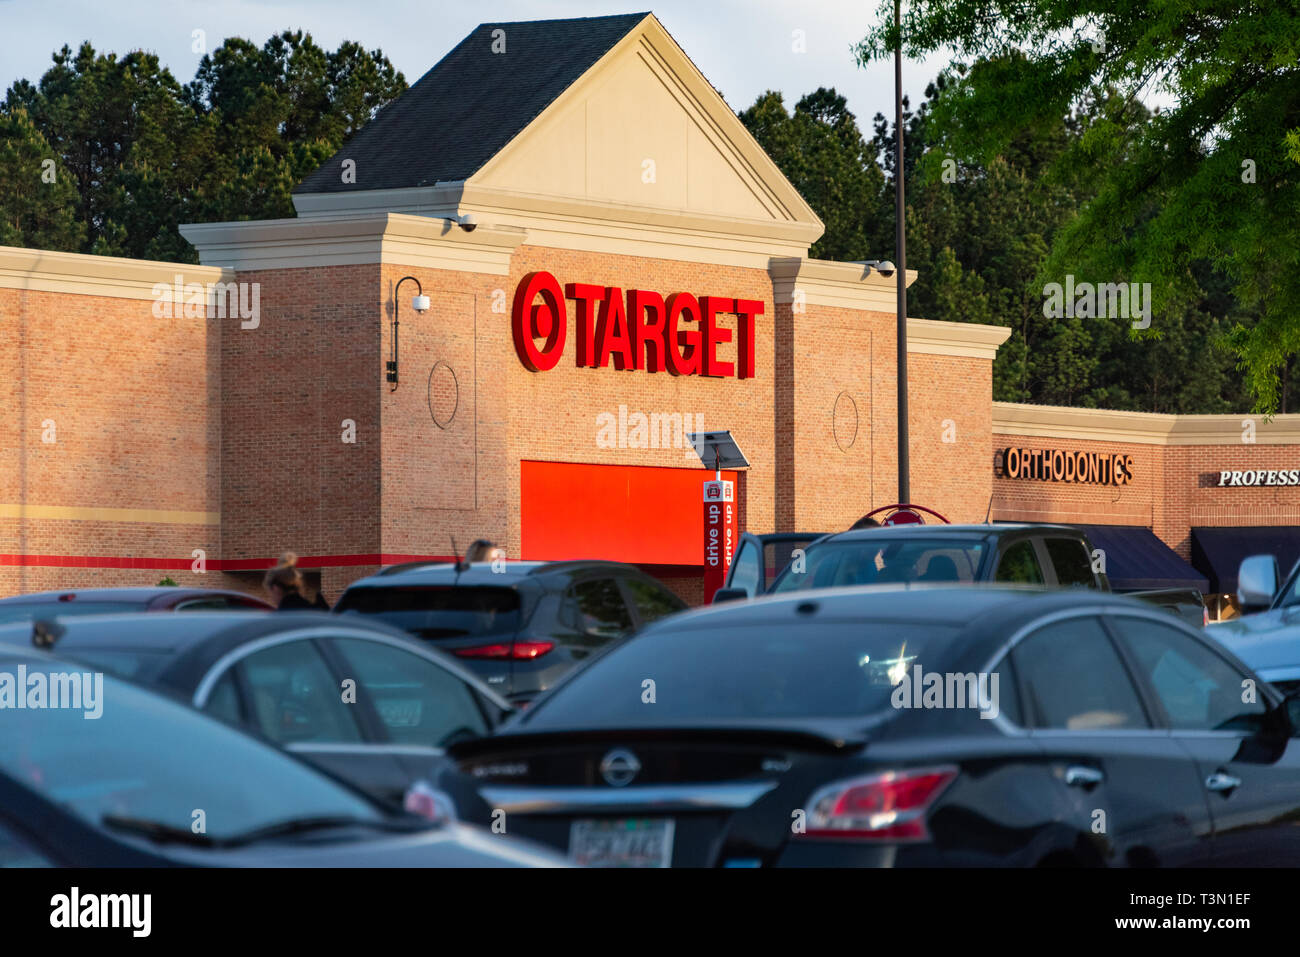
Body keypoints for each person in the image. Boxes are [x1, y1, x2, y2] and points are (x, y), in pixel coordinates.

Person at [264, 551, 330, 610]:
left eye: (270, 592)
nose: (271, 597)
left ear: (276, 588)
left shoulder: (277, 620)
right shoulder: (318, 611)